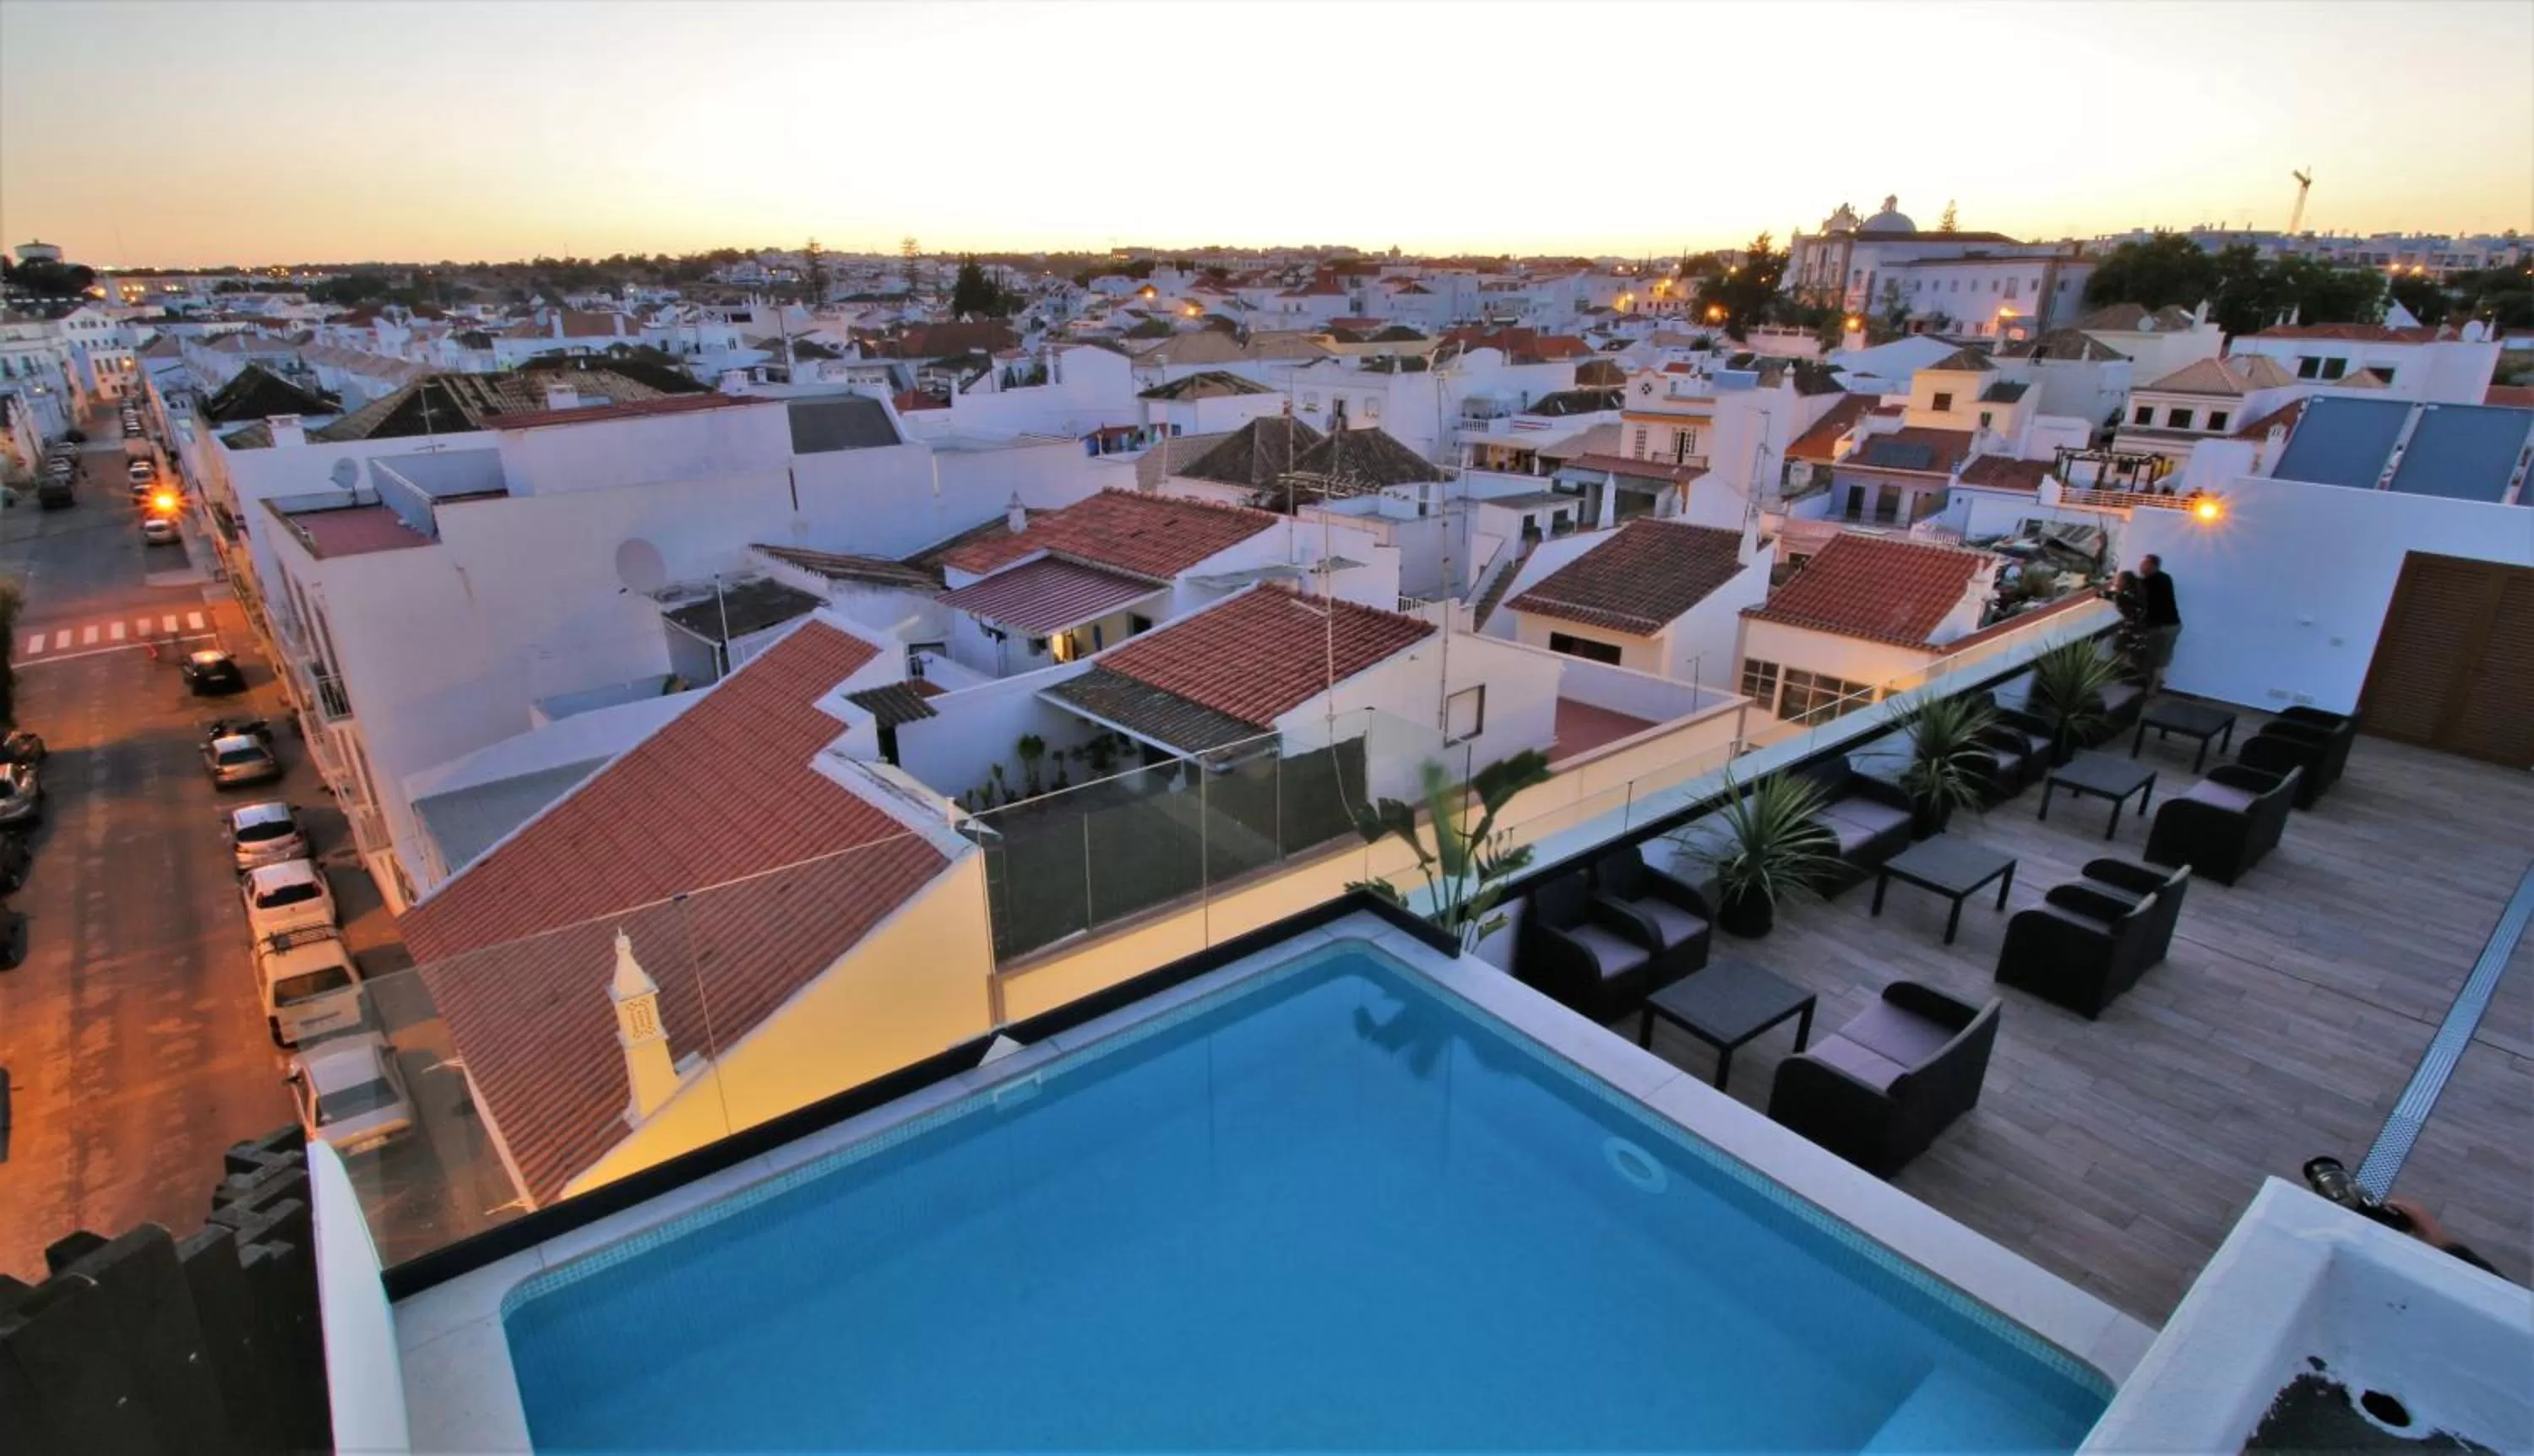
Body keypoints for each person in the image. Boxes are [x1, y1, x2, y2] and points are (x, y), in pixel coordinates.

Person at [2136, 554, 2182, 695]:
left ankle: (2151, 689)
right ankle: (2154, 685)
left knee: (2153, 658)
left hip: (2162, 627)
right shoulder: (2166, 578)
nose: (2141, 567)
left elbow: (2139, 599)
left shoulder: (2147, 583)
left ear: (2153, 566)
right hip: (2172, 625)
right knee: (2160, 659)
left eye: (2145, 564)